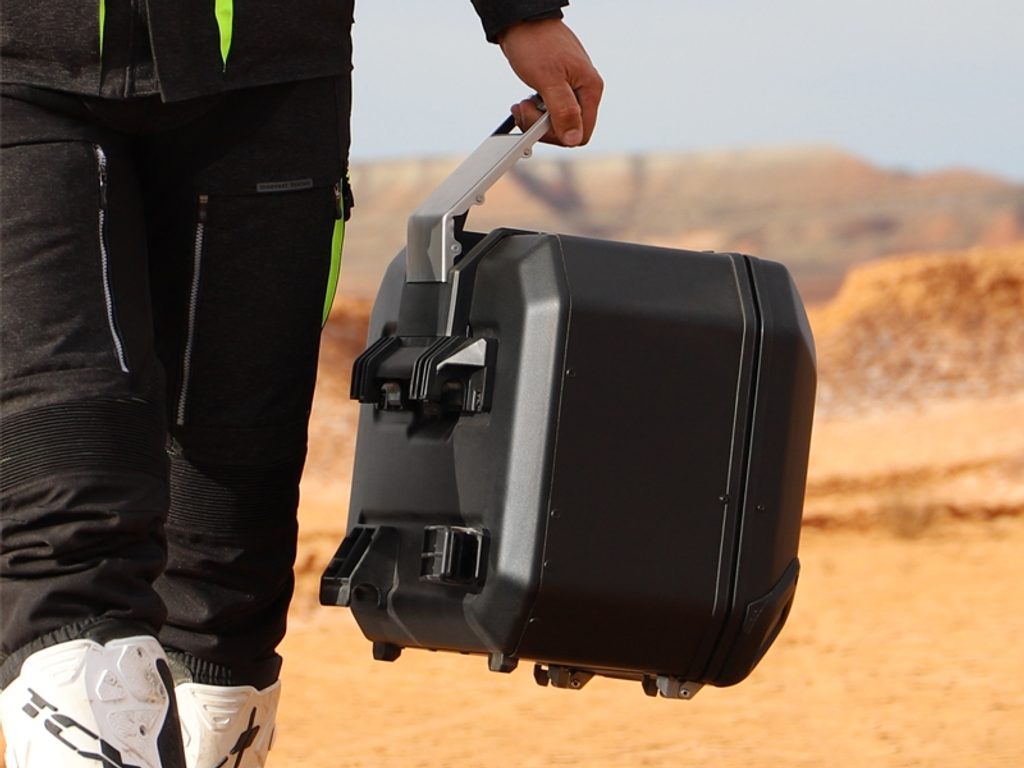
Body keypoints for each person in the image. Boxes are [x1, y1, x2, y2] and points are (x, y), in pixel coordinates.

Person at [0, 1, 603, 766]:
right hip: (20, 67)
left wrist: (522, 14)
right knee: (67, 496)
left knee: (226, 561)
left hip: (272, 70)